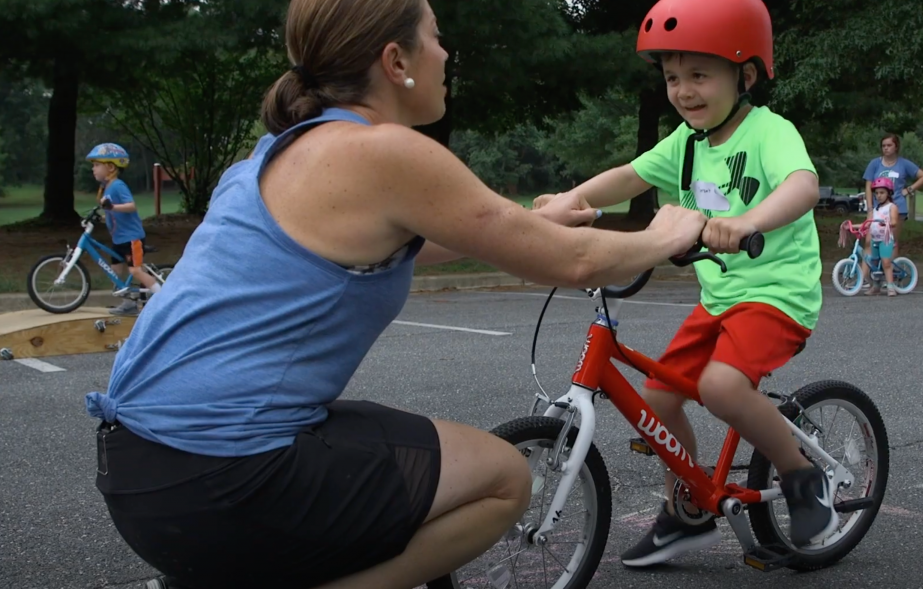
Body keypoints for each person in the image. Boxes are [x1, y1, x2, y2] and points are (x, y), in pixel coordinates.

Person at [82, 1, 709, 588]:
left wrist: (534, 223)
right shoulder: (385, 151)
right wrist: (667, 232)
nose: (446, 52)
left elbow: (425, 233)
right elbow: (576, 263)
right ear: (396, 62)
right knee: (502, 479)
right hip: (223, 476)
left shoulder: (274, 153)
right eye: (437, 37)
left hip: (141, 471)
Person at [534, 0, 839, 568]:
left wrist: (747, 221)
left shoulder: (769, 131)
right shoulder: (686, 142)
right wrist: (571, 200)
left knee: (724, 389)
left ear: (744, 76)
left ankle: (803, 477)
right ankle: (690, 507)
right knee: (658, 396)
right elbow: (628, 175)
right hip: (719, 298)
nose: (684, 90)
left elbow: (802, 186)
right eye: (674, 77)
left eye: (700, 74)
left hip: (776, 295)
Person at [88, 143, 161, 316]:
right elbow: (114, 213)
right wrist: (104, 216)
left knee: (135, 270)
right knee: (115, 272)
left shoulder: (118, 185)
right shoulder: (106, 187)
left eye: (97, 165)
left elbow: (131, 206)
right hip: (118, 240)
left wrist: (111, 208)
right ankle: (129, 303)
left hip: (131, 238)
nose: (93, 169)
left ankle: (162, 298)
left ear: (111, 167)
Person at [862, 133, 923, 255]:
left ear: (896, 147)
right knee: (869, 241)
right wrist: (870, 209)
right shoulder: (874, 164)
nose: (886, 148)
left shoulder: (904, 164)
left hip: (897, 207)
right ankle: (868, 270)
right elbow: (868, 186)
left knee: (891, 242)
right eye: (883, 146)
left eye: (889, 145)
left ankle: (890, 270)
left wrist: (909, 189)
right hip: (878, 209)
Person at [860, 178, 899, 297]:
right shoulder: (875, 210)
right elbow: (867, 223)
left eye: (882, 193)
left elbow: (894, 222)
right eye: (876, 193)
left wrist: (886, 223)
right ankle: (876, 286)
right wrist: (851, 225)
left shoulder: (892, 207)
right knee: (874, 263)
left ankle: (891, 285)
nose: (878, 196)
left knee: (886, 262)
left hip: (885, 239)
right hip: (875, 239)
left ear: (888, 193)